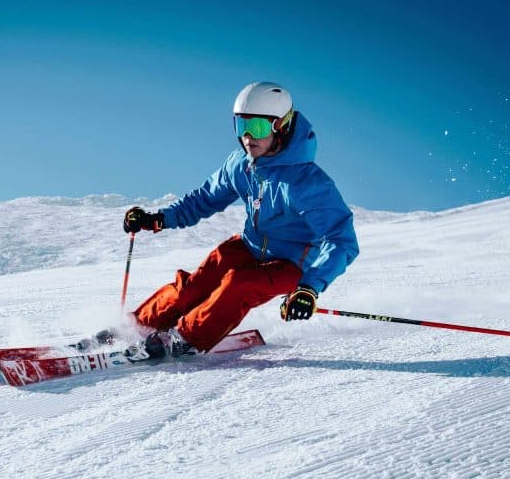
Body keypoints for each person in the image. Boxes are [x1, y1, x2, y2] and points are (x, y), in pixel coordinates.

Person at [122, 81, 360, 358]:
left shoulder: (307, 183)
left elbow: (341, 240)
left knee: (239, 283)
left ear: (280, 126)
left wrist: (310, 287)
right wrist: (157, 218)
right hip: (249, 246)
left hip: (293, 264)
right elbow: (203, 199)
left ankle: (184, 339)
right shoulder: (241, 164)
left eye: (257, 127)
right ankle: (136, 327)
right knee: (196, 285)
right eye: (240, 126)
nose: (247, 137)